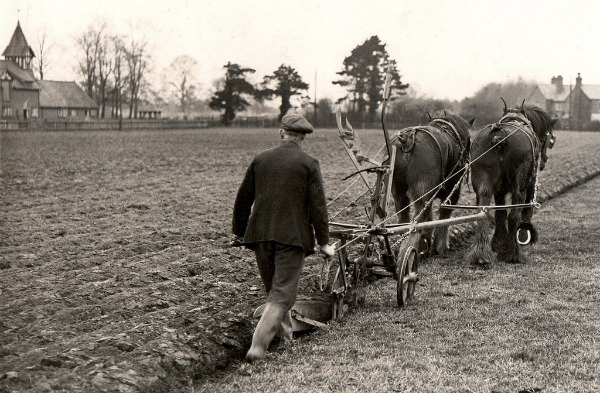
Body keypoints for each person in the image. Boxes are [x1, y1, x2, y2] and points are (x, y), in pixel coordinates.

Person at [231, 113, 335, 361]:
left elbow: (243, 198)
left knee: (276, 292)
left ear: (281, 133)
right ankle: (258, 348)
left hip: (261, 236)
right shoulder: (308, 164)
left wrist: (238, 232)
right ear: (303, 138)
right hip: (292, 239)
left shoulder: (261, 159)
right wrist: (324, 243)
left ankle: (286, 339)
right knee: (282, 295)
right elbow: (318, 208)